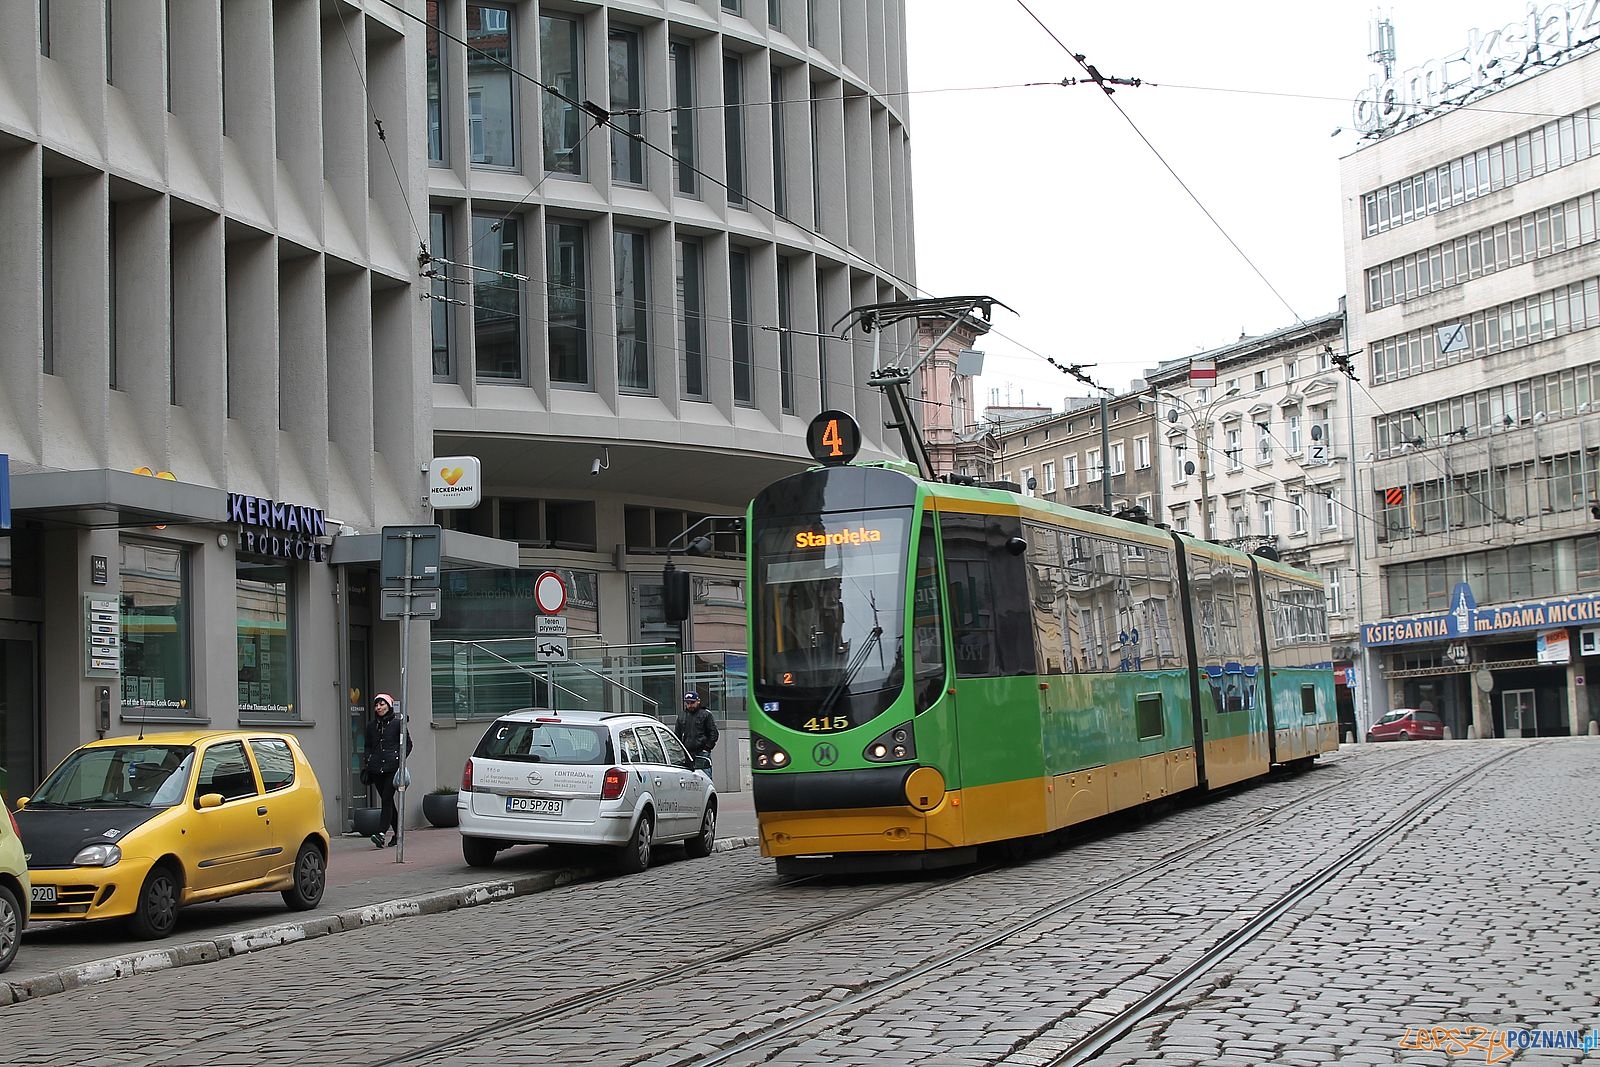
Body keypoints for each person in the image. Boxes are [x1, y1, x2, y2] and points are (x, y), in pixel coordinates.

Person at [363, 693, 413, 848]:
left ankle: (381, 833)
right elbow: (368, 745)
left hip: (392, 768)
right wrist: (368, 760)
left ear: (389, 705)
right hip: (376, 769)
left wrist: (400, 760)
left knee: (386, 798)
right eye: (376, 705)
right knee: (388, 801)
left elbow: (408, 744)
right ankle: (398, 834)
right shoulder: (371, 726)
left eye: (382, 704)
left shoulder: (398, 724)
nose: (379, 708)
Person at [675, 691, 719, 774]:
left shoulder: (706, 714)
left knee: (705, 776)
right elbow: (677, 735)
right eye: (687, 703)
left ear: (698, 701)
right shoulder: (682, 716)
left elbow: (713, 733)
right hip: (686, 753)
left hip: (701, 752)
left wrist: (707, 748)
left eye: (692, 702)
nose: (689, 705)